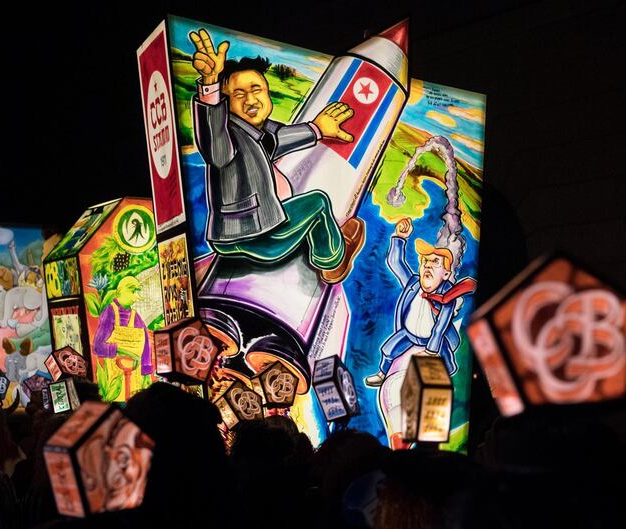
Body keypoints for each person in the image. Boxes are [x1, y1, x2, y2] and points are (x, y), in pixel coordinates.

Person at [190, 28, 365, 284]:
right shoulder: (225, 136)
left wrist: (316, 129)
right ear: (225, 104)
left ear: (268, 92)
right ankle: (332, 260)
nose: (251, 100)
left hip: (229, 239)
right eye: (239, 94)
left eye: (257, 89)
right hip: (258, 238)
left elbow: (278, 139)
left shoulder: (257, 131)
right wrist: (209, 84)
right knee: (317, 203)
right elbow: (215, 149)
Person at [365, 217, 476, 386]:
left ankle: (446, 378)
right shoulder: (413, 284)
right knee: (388, 349)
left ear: (446, 274)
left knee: (445, 361)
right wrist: (399, 237)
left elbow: (441, 326)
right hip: (409, 333)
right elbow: (395, 263)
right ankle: (382, 374)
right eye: (425, 261)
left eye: (435, 262)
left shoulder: (447, 296)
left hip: (431, 338)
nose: (428, 266)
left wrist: (431, 351)